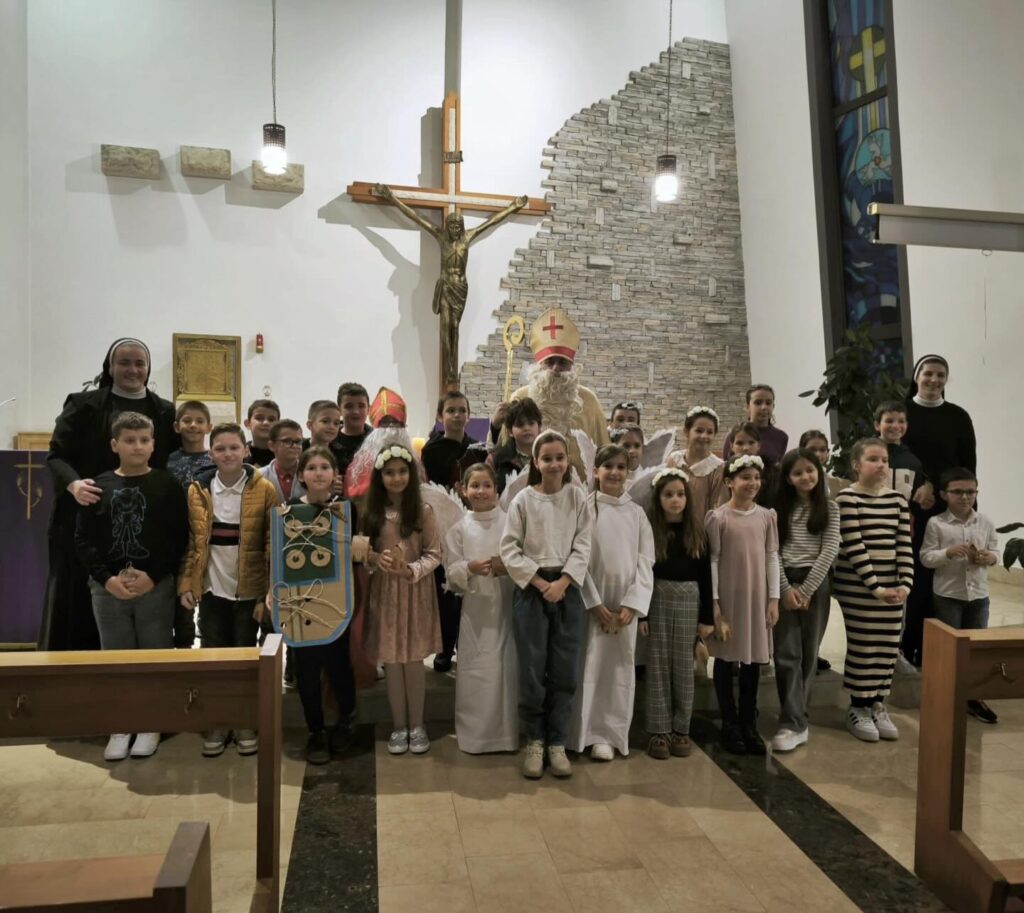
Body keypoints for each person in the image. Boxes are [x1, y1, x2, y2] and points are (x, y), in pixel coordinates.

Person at [43, 337, 178, 651]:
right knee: (80, 602)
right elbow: (56, 456)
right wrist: (74, 484)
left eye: (139, 363)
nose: (132, 369)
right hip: (88, 515)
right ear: (110, 367)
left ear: (147, 368)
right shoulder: (83, 405)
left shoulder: (163, 410)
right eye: (124, 363)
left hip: (144, 523)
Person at [75, 411, 188, 760]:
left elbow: (177, 536)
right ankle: (121, 725)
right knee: (116, 659)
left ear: (153, 444)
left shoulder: (167, 485)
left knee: (154, 656)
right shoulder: (98, 486)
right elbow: (83, 539)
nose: (137, 446)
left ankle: (151, 724)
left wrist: (153, 575)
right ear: (115, 444)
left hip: (154, 586)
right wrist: (106, 578)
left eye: (143, 440)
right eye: (129, 440)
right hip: (108, 588)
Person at [178, 423, 279, 757]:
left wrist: (268, 590)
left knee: (245, 657)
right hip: (211, 590)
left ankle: (245, 721)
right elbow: (192, 542)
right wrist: (187, 583)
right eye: (220, 448)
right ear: (210, 454)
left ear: (245, 450)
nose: (227, 454)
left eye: (234, 447)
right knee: (214, 657)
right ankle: (219, 721)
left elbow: (271, 542)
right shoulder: (198, 490)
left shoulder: (264, 489)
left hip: (248, 591)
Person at [500, 430, 592, 779]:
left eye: (559, 457)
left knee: (565, 670)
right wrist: (541, 583)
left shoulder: (577, 497)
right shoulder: (523, 500)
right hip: (533, 589)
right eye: (547, 458)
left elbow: (584, 544)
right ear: (536, 463)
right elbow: (510, 549)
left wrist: (563, 582)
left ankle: (557, 741)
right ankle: (535, 741)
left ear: (567, 461)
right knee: (532, 669)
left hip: (567, 589)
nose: (554, 464)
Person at [568, 445, 653, 760]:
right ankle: (581, 733)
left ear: (628, 473)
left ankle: (607, 735)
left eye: (621, 467)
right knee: (587, 666)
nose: (615, 473)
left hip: (624, 608)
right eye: (608, 466)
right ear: (595, 471)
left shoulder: (636, 513)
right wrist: (593, 601)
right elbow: (577, 557)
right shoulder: (584, 508)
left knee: (617, 671)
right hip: (592, 604)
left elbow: (646, 561)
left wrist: (632, 604)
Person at [362, 443, 442, 756]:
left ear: (411, 474)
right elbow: (362, 551)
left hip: (415, 591)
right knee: (392, 661)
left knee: (413, 660)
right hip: (385, 593)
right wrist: (374, 559)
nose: (396, 478)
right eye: (389, 473)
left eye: (402, 471)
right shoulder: (371, 513)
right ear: (379, 477)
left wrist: (411, 569)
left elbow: (434, 554)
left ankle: (417, 724)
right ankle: (399, 725)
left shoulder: (423, 511)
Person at [282, 446, 358, 763]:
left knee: (339, 665)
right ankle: (316, 731)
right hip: (301, 601)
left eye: (325, 467)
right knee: (307, 670)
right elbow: (279, 557)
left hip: (336, 601)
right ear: (301, 475)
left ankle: (346, 721)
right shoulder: (287, 511)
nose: (318, 473)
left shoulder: (346, 509)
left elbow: (357, 554)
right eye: (311, 467)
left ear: (335, 474)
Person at [835, 438, 913, 743]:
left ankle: (878, 703)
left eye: (884, 460)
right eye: (873, 459)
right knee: (865, 644)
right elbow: (854, 547)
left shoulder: (897, 500)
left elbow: (903, 545)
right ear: (857, 465)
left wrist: (905, 584)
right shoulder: (847, 498)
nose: (881, 465)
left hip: (892, 586)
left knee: (888, 644)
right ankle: (858, 706)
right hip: (859, 587)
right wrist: (876, 588)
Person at [901, 354, 976, 668]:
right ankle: (910, 645)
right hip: (912, 506)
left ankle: (940, 649)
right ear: (917, 376)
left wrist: (967, 511)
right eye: (928, 373)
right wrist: (922, 485)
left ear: (946, 379)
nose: (933, 380)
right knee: (916, 579)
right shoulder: (901, 412)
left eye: (940, 375)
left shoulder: (958, 416)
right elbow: (893, 456)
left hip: (948, 506)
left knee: (945, 579)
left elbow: (968, 466)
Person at [705, 454, 780, 755]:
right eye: (745, 477)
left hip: (756, 596)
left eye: (756, 478)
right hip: (729, 596)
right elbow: (713, 560)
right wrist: (714, 603)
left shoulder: (766, 516)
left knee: (752, 661)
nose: (752, 483)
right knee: (726, 658)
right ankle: (729, 722)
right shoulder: (718, 517)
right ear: (729, 482)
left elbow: (772, 556)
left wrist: (773, 598)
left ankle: (749, 722)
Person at [444, 463, 518, 753]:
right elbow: (451, 571)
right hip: (476, 610)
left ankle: (507, 734)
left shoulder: (510, 522)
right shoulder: (460, 528)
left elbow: (522, 556)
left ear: (497, 490)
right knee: (477, 668)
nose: (481, 491)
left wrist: (508, 566)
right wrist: (469, 568)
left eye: (487, 485)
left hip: (506, 604)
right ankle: (475, 735)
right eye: (475, 485)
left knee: (506, 667)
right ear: (464, 490)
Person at [770, 448, 840, 752]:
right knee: (786, 654)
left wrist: (808, 589)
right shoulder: (777, 510)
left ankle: (798, 720)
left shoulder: (830, 508)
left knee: (809, 654)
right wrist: (786, 589)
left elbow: (829, 550)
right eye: (797, 472)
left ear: (818, 471)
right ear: (788, 478)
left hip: (817, 582)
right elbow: (773, 551)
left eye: (810, 470)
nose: (805, 477)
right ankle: (792, 722)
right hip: (783, 580)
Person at [642, 468, 713, 759]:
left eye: (680, 494)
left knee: (684, 666)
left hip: (689, 599)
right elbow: (644, 573)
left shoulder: (697, 532)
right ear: (658, 498)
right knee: (658, 664)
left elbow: (706, 576)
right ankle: (659, 730)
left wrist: (706, 618)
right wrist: (643, 614)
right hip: (658, 598)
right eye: (668, 494)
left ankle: (681, 728)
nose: (675, 500)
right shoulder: (651, 532)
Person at [921, 468, 1000, 724]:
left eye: (970, 491)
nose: (965, 497)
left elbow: (995, 551)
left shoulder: (985, 522)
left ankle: (973, 698)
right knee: (949, 649)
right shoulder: (936, 523)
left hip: (979, 596)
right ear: (944, 494)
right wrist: (947, 553)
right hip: (948, 595)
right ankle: (946, 696)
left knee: (975, 648)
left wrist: (989, 557)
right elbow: (926, 557)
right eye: (957, 492)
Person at [490, 308, 609, 477]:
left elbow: (605, 453)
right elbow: (502, 450)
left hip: (580, 486)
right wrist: (495, 426)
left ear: (572, 365)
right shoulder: (521, 397)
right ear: (539, 365)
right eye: (550, 361)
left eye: (562, 362)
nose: (556, 368)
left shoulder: (589, 400)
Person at [421, 391, 477, 673]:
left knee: (471, 588)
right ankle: (444, 648)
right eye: (451, 410)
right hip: (444, 525)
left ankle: (466, 646)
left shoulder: (477, 448)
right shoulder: (431, 450)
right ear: (440, 416)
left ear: (469, 415)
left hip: (471, 522)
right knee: (447, 590)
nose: (457, 415)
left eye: (461, 410)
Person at [668, 406, 725, 520]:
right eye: (699, 431)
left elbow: (719, 509)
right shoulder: (674, 460)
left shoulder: (718, 468)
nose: (704, 436)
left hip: (702, 528)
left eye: (710, 432)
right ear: (686, 432)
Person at [874, 401, 929, 504]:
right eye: (889, 421)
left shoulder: (912, 462)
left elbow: (916, 498)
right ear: (877, 425)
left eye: (901, 421)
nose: (895, 426)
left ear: (906, 425)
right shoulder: (865, 454)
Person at [722, 384, 789, 465]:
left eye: (768, 403)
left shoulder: (781, 437)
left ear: (773, 406)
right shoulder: (734, 435)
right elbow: (726, 465)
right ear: (748, 407)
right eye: (758, 403)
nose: (764, 407)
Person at [487, 397, 542, 494]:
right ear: (510, 431)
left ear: (539, 427)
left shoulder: (549, 456)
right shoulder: (496, 458)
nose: (526, 428)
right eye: (520, 425)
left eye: (531, 423)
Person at [728, 422, 779, 508]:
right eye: (740, 443)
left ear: (759, 445)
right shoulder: (725, 470)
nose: (746, 448)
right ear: (732, 446)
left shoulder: (772, 472)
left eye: (751, 443)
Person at [166, 401, 214, 489]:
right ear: (176, 427)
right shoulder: (169, 460)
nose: (193, 425)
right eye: (187, 421)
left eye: (200, 421)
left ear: (209, 428)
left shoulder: (214, 459)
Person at [305, 400, 345, 497]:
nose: (331, 427)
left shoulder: (341, 453)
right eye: (325, 421)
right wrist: (324, 488)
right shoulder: (299, 450)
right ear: (310, 425)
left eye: (336, 423)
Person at [262, 420, 307, 504]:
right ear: (271, 446)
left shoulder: (310, 473)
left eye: (298, 442)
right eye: (287, 441)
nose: (294, 446)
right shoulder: (259, 476)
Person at [334, 382, 372, 476]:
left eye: (361, 406)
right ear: (339, 410)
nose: (356, 411)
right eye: (349, 406)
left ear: (368, 409)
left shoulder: (377, 440)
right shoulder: (330, 440)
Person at [244, 398, 280, 469]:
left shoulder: (284, 454)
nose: (266, 423)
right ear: (248, 424)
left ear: (279, 425)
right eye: (259, 418)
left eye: (271, 419)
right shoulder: (240, 454)